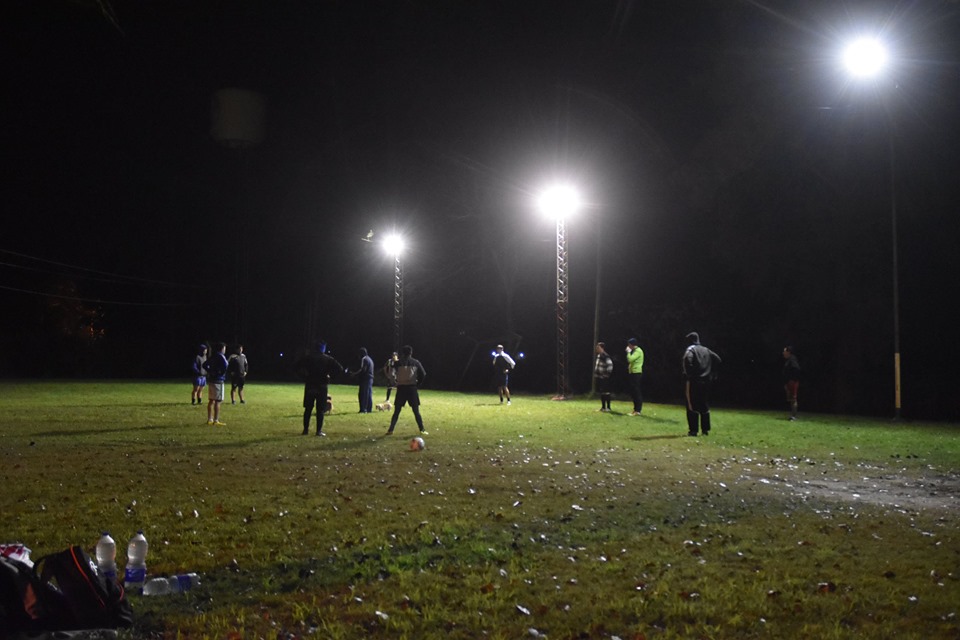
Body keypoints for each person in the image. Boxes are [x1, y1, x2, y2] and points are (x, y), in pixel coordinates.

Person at [295, 341, 344, 436]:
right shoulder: (328, 359)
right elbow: (340, 368)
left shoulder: (308, 358)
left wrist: (303, 377)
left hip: (310, 385)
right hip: (322, 386)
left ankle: (305, 430)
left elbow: (296, 367)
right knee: (320, 410)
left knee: (308, 408)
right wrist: (330, 377)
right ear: (323, 348)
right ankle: (318, 431)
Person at [682, 331, 721, 436]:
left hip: (694, 381)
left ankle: (693, 430)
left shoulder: (691, 349)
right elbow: (718, 359)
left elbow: (687, 359)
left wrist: (689, 374)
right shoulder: (706, 350)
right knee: (704, 404)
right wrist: (713, 373)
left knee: (692, 404)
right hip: (706, 381)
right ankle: (705, 430)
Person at [386, 344, 427, 435]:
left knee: (397, 411)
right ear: (411, 353)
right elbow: (423, 374)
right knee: (416, 411)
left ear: (403, 353)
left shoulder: (398, 363)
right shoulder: (416, 362)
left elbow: (390, 372)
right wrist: (418, 383)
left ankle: (390, 429)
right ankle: (422, 429)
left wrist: (394, 382)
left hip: (401, 388)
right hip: (412, 388)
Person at [202, 342, 229, 426]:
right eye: (224, 348)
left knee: (211, 400)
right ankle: (216, 420)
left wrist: (210, 371)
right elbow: (226, 365)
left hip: (211, 380)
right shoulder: (221, 356)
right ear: (222, 349)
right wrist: (220, 373)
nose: (225, 350)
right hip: (218, 381)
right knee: (218, 401)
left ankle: (209, 419)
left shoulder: (213, 356)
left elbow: (205, 364)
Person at [351, 347, 375, 413]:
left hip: (365, 379)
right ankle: (369, 409)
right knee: (369, 394)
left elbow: (362, 369)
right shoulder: (370, 359)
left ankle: (363, 409)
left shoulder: (364, 359)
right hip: (371, 378)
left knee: (363, 394)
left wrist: (354, 374)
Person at [626, 337, 644, 415]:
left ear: (631, 344)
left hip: (636, 373)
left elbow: (630, 359)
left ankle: (638, 410)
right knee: (633, 391)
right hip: (633, 372)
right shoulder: (634, 350)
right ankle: (635, 409)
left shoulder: (638, 351)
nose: (628, 346)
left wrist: (628, 352)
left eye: (629, 345)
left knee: (636, 391)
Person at [782, 345, 801, 421]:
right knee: (791, 399)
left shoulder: (792, 359)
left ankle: (794, 416)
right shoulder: (789, 360)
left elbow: (796, 369)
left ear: (788, 352)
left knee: (793, 399)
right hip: (789, 382)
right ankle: (792, 415)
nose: (783, 353)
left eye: (784, 351)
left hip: (792, 382)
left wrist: (792, 380)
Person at [594, 342, 613, 412]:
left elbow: (610, 365)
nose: (597, 349)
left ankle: (608, 407)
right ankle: (603, 407)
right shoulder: (599, 355)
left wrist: (607, 374)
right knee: (602, 392)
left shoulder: (605, 356)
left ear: (602, 348)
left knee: (606, 392)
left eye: (598, 347)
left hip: (605, 377)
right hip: (600, 377)